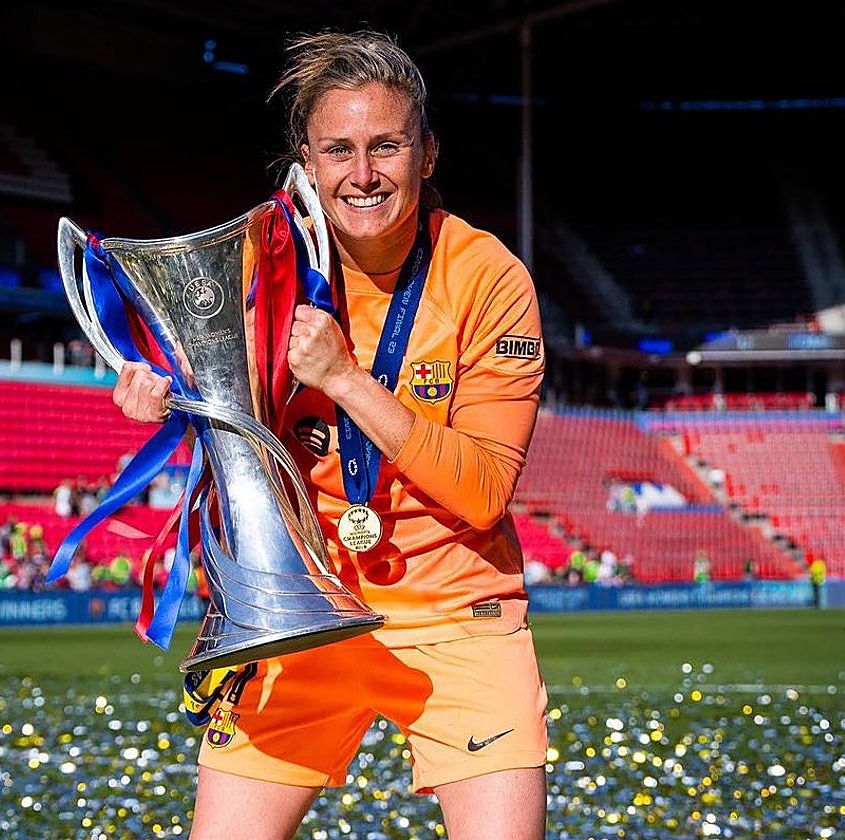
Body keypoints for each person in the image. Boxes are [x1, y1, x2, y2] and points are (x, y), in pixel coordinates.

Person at [109, 29, 547, 840]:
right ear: (306, 164)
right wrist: (168, 400)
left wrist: (346, 377)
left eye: (387, 146)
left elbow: (484, 492)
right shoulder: (258, 266)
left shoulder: (489, 278)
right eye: (338, 150)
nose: (363, 174)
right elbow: (233, 426)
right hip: (296, 612)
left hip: (456, 617)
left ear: (427, 154)